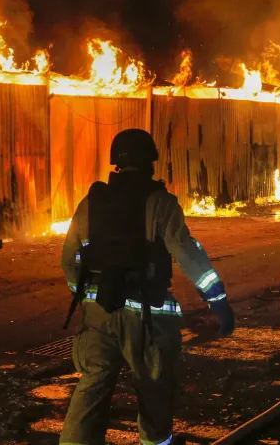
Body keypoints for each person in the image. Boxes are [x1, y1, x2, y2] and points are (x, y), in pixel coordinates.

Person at [59, 128, 235, 445]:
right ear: (150, 162)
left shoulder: (91, 202)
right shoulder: (161, 203)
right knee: (154, 392)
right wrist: (218, 300)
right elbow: (188, 255)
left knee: (92, 389)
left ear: (116, 163)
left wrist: (87, 298)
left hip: (98, 314)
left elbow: (69, 259)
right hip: (146, 319)